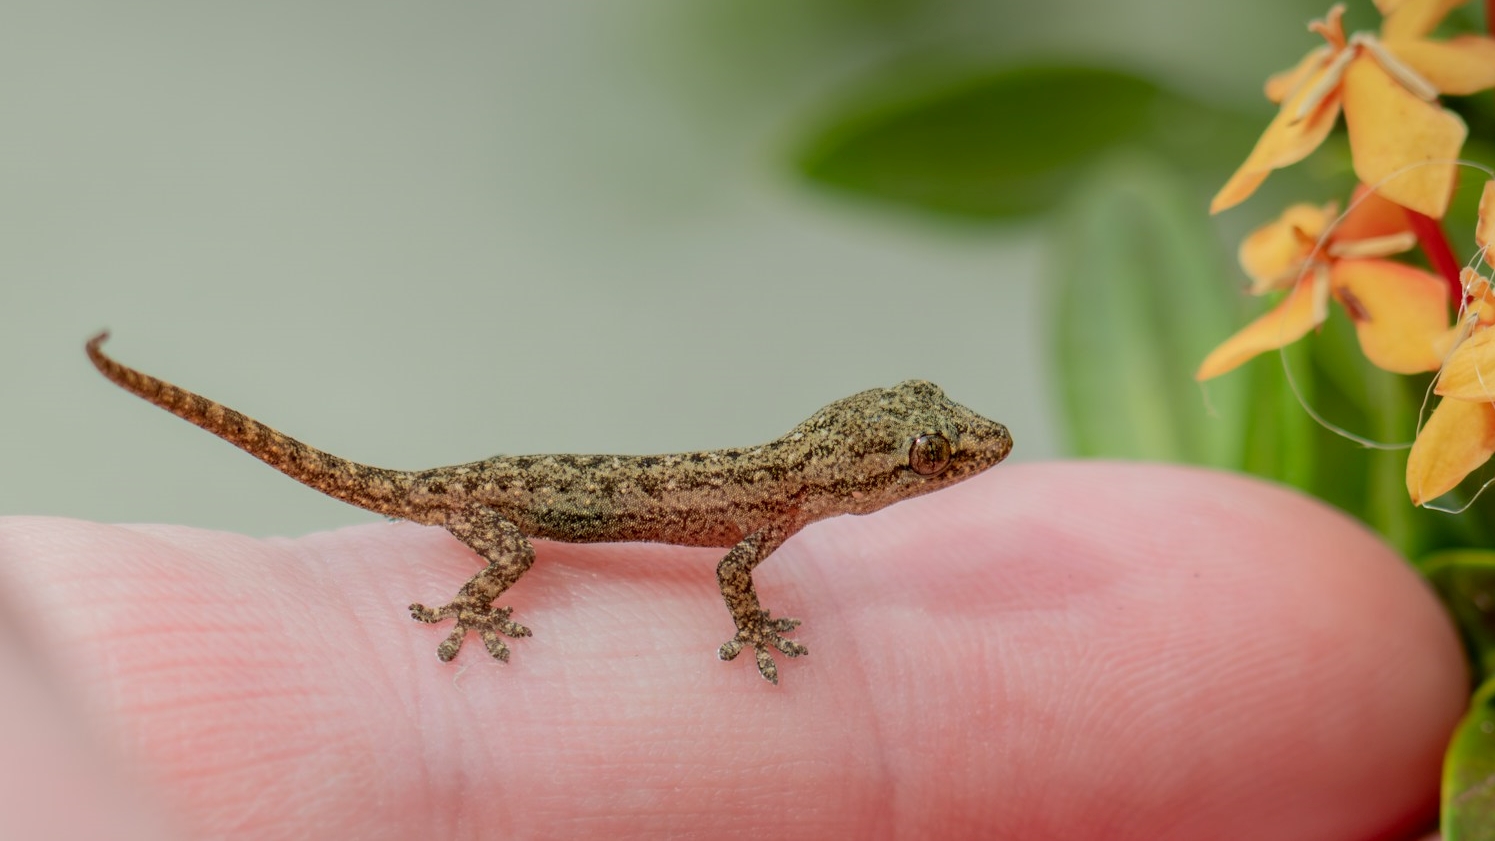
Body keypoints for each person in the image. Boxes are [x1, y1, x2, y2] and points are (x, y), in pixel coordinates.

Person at [0, 462, 1464, 839]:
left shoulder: (777, 498)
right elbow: (734, 581)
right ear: (859, 477)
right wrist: (488, 586)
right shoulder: (763, 520)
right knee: (501, 557)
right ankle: (479, 592)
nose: (950, 469)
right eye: (921, 459)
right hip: (509, 509)